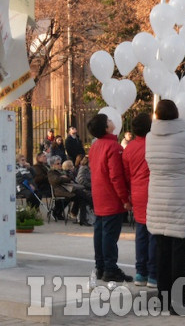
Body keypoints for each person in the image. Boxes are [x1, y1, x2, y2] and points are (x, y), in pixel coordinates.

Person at [145, 99, 185, 315]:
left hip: (157, 199)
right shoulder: (184, 137)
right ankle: (179, 303)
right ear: (176, 114)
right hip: (181, 201)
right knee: (179, 254)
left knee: (162, 250)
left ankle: (162, 300)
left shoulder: (149, 137)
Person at [87, 113, 132, 282]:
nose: (113, 121)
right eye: (109, 121)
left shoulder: (95, 146)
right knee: (110, 236)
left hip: (99, 194)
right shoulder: (113, 147)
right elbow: (116, 176)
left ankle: (100, 267)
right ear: (106, 127)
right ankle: (110, 268)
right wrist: (125, 198)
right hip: (111, 197)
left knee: (100, 233)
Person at [122, 112, 157, 288]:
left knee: (141, 233)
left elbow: (126, 174)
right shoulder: (155, 145)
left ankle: (140, 272)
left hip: (137, 192)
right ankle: (153, 274)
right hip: (154, 191)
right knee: (154, 234)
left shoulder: (129, 148)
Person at [48, 156, 91, 225]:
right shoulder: (51, 172)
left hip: (68, 191)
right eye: (58, 164)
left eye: (60, 163)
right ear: (52, 165)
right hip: (60, 192)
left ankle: (82, 219)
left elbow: (71, 177)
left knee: (82, 197)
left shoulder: (61, 172)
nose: (60, 165)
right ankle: (83, 215)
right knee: (82, 195)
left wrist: (65, 178)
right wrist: (64, 178)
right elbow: (56, 180)